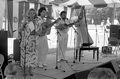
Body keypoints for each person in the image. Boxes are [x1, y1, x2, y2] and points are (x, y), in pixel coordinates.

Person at [19, 8, 38, 76]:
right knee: (25, 56)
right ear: (28, 14)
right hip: (25, 41)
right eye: (30, 13)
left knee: (32, 56)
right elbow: (20, 30)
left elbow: (38, 31)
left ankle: (30, 70)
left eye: (33, 13)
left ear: (35, 14)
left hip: (33, 41)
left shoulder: (37, 21)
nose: (32, 14)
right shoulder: (25, 21)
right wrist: (23, 25)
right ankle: (24, 71)